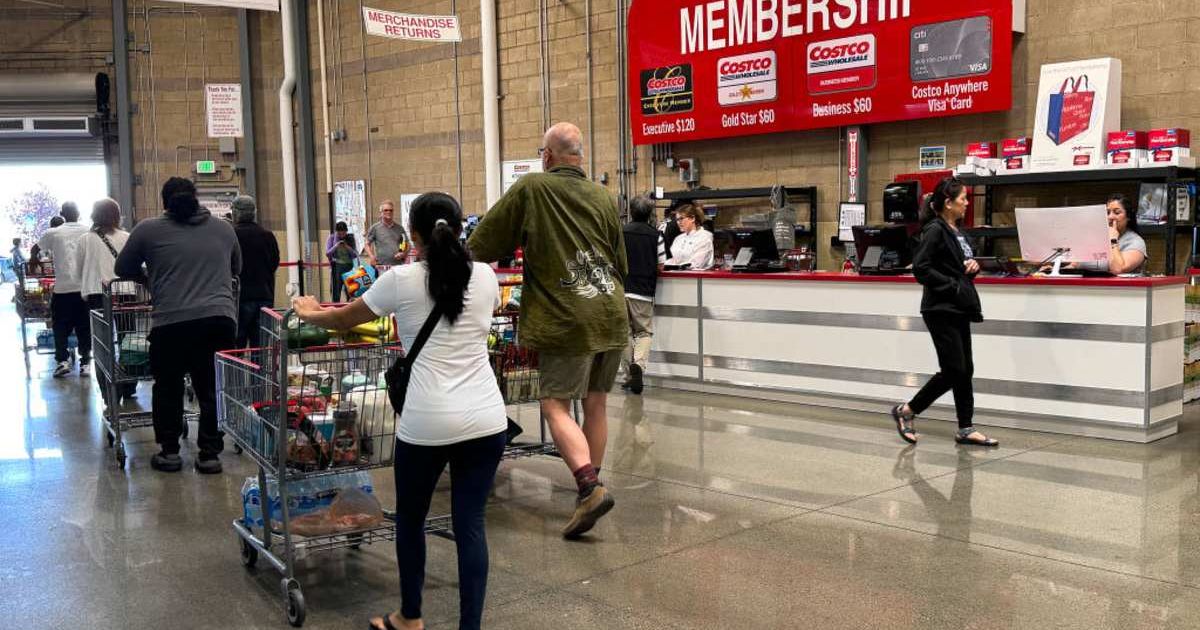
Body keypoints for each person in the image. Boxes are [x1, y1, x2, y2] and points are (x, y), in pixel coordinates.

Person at [292, 193, 506, 630]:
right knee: (471, 524)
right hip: (487, 419)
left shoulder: (402, 280)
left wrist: (309, 310)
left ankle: (410, 617)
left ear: (413, 234)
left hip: (427, 422)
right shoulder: (485, 276)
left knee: (411, 519)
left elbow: (344, 320)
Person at [469, 121, 628, 539]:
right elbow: (620, 261)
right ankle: (589, 489)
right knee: (595, 404)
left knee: (554, 405)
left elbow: (483, 243)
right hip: (611, 311)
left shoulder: (533, 188)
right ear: (580, 157)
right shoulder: (603, 196)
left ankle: (589, 487)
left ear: (547, 156)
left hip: (566, 315)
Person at [115, 177, 242, 473]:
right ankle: (210, 454)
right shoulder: (224, 229)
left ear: (164, 202)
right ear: (197, 199)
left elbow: (122, 268)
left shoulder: (147, 230)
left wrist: (150, 279)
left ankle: (170, 452)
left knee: (168, 387)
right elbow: (236, 269)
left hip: (171, 322)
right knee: (212, 389)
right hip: (218, 321)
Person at [890, 177, 998, 447]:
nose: (966, 203)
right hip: (940, 308)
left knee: (966, 369)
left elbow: (958, 263)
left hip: (959, 306)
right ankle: (907, 411)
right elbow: (921, 268)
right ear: (948, 203)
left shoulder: (957, 231)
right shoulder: (935, 229)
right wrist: (951, 285)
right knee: (953, 369)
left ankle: (966, 427)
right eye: (963, 199)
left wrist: (973, 265)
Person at [75, 198, 131, 404]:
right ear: (117, 215)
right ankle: (129, 383)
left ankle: (109, 391)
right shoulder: (127, 237)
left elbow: (78, 270)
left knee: (102, 344)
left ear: (93, 215)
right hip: (126, 293)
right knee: (128, 341)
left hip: (97, 294)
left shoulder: (85, 240)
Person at [37, 201, 91, 377]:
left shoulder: (53, 232)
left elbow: (38, 248)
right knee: (84, 327)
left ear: (61, 213)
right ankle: (85, 364)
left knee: (60, 326)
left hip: (62, 289)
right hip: (84, 289)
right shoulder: (88, 231)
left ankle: (62, 361)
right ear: (79, 214)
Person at [621, 195, 665, 395]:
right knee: (643, 332)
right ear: (649, 214)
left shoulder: (620, 233)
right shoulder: (656, 235)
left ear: (630, 211)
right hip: (643, 291)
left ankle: (629, 377)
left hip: (620, 290)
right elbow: (661, 265)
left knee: (624, 333)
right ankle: (638, 365)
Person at [232, 195, 280, 348]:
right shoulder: (267, 236)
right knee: (260, 348)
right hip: (264, 296)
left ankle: (238, 373)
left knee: (236, 351)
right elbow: (274, 263)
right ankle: (258, 373)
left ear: (235, 213)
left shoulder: (232, 236)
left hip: (240, 299)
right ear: (254, 213)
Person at [1076, 193, 1147, 274]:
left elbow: (1118, 269)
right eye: (1107, 212)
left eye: (1117, 212)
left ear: (1128, 216)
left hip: (1121, 286)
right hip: (1088, 285)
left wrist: (1113, 240)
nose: (1110, 217)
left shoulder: (1136, 242)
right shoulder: (1097, 238)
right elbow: (1076, 265)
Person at [664, 202, 714, 269]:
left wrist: (676, 266)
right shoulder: (678, 239)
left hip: (696, 278)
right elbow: (672, 259)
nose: (678, 222)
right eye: (677, 220)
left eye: (681, 218)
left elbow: (696, 264)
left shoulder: (705, 238)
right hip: (677, 276)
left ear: (692, 218)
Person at [365, 200, 409, 267]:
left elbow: (406, 244)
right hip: (381, 266)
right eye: (386, 210)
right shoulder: (375, 228)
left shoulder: (400, 228)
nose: (389, 212)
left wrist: (403, 253)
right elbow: (367, 244)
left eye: (391, 210)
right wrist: (371, 256)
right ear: (381, 212)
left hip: (398, 266)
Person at [326, 221, 357, 301]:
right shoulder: (332, 238)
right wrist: (336, 246)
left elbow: (354, 254)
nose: (342, 235)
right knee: (336, 291)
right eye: (339, 233)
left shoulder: (350, 238)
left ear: (346, 231)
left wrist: (347, 246)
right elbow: (328, 253)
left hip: (349, 267)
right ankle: (336, 309)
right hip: (337, 267)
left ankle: (350, 309)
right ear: (337, 232)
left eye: (344, 233)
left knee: (350, 291)